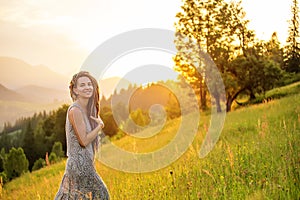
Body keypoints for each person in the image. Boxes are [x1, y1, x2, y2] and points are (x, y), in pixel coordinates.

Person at [55, 71, 110, 200]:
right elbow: (84, 141)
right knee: (102, 195)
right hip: (79, 167)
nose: (87, 87)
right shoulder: (75, 110)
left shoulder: (88, 110)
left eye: (90, 84)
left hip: (85, 164)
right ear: (75, 90)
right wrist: (99, 127)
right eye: (82, 85)